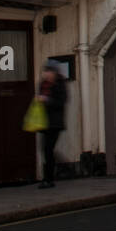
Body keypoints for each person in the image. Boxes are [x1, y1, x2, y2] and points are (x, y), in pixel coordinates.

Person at [36, 60, 67, 188]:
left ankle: (49, 179)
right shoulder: (43, 84)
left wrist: (46, 100)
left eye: (49, 71)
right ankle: (57, 170)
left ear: (55, 72)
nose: (47, 73)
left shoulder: (60, 85)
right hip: (44, 122)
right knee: (46, 149)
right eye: (46, 71)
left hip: (55, 123)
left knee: (48, 149)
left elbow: (61, 102)